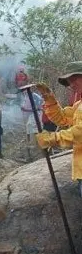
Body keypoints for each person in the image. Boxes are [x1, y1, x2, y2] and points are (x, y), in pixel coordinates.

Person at [36, 61, 82, 197]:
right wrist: (49, 98)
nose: (72, 85)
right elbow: (62, 118)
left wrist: (53, 138)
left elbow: (79, 132)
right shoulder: (79, 105)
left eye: (74, 79)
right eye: (69, 81)